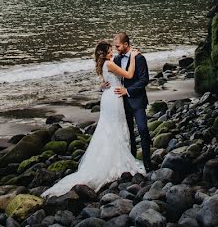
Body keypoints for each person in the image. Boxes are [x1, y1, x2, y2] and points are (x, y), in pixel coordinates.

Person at [41, 41, 146, 198]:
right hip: (114, 98)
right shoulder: (109, 64)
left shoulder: (105, 64)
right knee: (114, 127)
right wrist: (133, 56)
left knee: (109, 128)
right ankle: (116, 161)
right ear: (104, 53)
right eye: (110, 51)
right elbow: (129, 75)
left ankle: (113, 157)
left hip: (110, 97)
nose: (112, 53)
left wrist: (102, 86)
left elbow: (107, 82)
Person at [111, 31, 152, 173]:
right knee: (128, 133)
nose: (116, 49)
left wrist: (127, 91)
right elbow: (115, 79)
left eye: (118, 46)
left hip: (138, 101)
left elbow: (144, 79)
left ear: (126, 44)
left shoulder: (140, 58)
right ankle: (133, 162)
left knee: (143, 129)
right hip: (122, 103)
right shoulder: (116, 59)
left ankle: (148, 163)